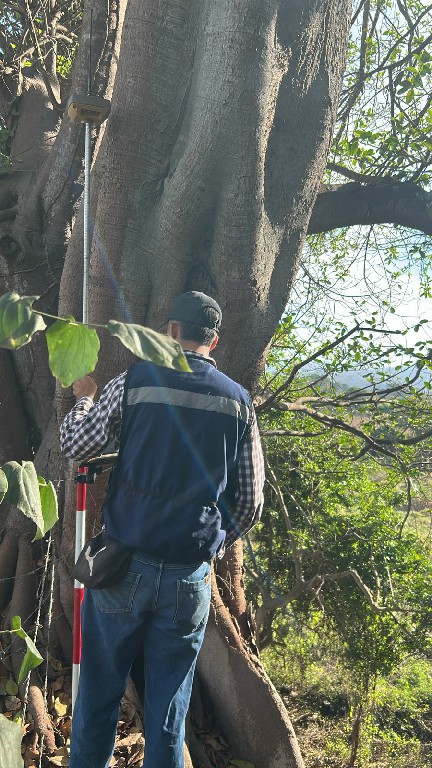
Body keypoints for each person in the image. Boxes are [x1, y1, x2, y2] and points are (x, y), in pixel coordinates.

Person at [60, 290, 265, 768]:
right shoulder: (239, 403)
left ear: (171, 331)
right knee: (169, 711)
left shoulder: (136, 380)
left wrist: (86, 401)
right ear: (214, 341)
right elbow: (250, 502)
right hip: (188, 577)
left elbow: (75, 443)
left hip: (121, 566)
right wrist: (211, 542)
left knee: (97, 700)